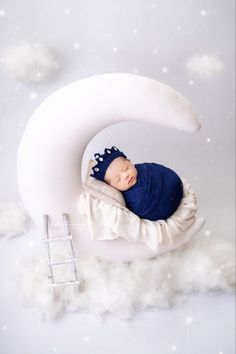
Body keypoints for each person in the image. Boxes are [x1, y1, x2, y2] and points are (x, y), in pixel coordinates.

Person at [90, 146, 183, 221]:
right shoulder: (127, 198)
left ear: (130, 162)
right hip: (161, 208)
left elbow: (159, 170)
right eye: (118, 179)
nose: (125, 176)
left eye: (126, 168)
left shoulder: (145, 169)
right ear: (112, 187)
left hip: (174, 186)